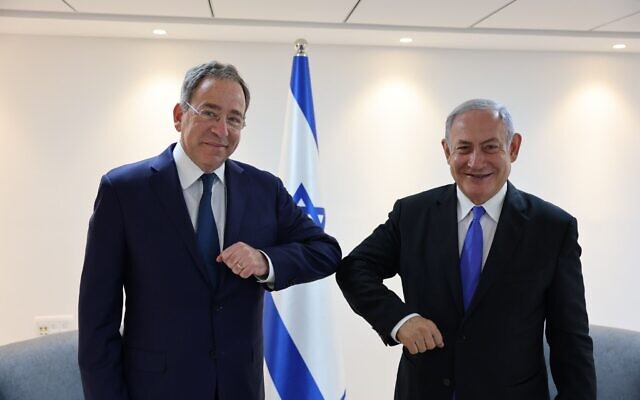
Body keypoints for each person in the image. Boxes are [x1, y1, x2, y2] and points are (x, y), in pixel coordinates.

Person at [78, 61, 341, 400]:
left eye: (234, 118)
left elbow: (325, 251)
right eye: (209, 113)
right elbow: (98, 320)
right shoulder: (124, 191)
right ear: (179, 115)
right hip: (156, 389)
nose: (222, 129)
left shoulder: (264, 190)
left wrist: (264, 261)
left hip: (239, 387)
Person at [336, 99, 596, 399]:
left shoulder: (552, 228)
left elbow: (570, 340)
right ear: (447, 151)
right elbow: (354, 268)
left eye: (490, 147)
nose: (475, 161)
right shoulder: (411, 214)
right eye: (463, 148)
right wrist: (400, 320)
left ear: (513, 148)